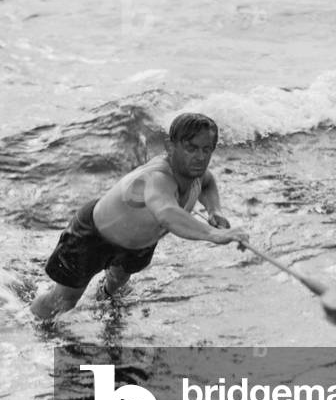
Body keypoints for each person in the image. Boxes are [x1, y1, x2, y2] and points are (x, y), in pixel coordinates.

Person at [30, 112, 248, 319]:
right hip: (93, 236)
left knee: (117, 283)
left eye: (207, 149)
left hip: (138, 244)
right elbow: (167, 214)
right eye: (191, 148)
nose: (200, 157)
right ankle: (30, 323)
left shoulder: (195, 172)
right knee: (63, 301)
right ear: (170, 146)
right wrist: (215, 235)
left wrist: (214, 210)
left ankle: (105, 302)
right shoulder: (157, 178)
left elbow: (207, 183)